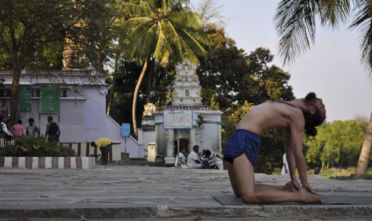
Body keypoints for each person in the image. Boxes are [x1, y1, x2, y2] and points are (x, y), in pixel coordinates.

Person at [224, 92, 326, 204]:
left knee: (249, 197)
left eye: (322, 105)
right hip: (236, 137)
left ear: (311, 109)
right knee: (239, 191)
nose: (320, 99)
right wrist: (293, 179)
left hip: (245, 139)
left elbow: (297, 151)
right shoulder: (290, 107)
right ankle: (285, 189)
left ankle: (300, 196)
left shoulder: (297, 114)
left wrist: (305, 184)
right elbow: (289, 149)